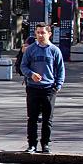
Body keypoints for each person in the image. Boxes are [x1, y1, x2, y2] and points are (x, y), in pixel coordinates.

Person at [20, 22, 65, 154]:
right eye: (38, 32)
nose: (40, 35)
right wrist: (31, 74)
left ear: (49, 34)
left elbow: (60, 69)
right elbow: (23, 66)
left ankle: (45, 144)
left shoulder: (54, 50)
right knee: (32, 118)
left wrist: (58, 86)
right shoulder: (30, 49)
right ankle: (31, 145)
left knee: (47, 119)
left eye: (43, 33)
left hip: (49, 89)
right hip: (33, 88)